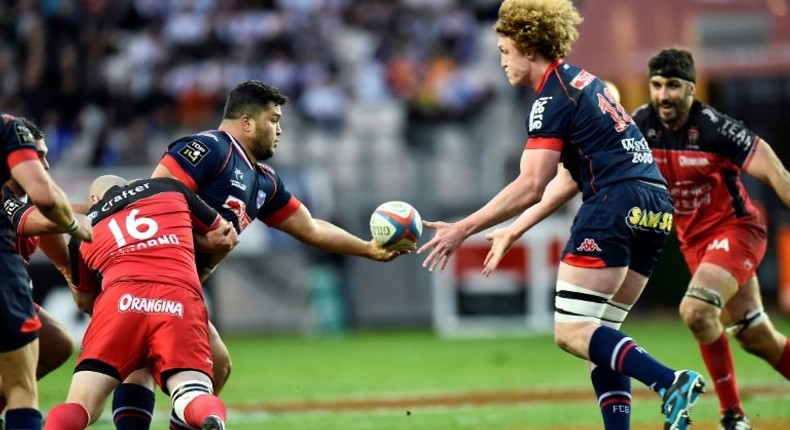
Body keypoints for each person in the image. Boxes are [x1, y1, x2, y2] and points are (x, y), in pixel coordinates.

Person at [418, 1, 705, 429]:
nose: (501, 60)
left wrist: (465, 227)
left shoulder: (552, 97)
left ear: (529, 48)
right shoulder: (586, 84)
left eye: (504, 50)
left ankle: (670, 382)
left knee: (570, 332)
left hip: (615, 205)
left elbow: (532, 183)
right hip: (654, 207)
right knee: (597, 338)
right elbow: (568, 179)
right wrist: (513, 230)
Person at [105, 79, 411, 430]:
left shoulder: (263, 180)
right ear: (247, 122)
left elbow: (310, 227)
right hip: (147, 273)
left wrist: (368, 249)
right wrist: (206, 244)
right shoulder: (209, 149)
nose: (279, 130)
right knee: (140, 368)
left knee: (215, 366)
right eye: (274, 120)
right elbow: (153, 201)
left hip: (181, 285)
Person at [631, 47, 790, 430]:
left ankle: (732, 415)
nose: (663, 95)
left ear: (691, 88)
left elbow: (774, 171)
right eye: (656, 85)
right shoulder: (640, 124)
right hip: (694, 245)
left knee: (696, 310)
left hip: (736, 231)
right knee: (756, 337)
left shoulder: (715, 127)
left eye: (673, 86)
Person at [44, 175, 238, 430]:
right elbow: (223, 235)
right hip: (176, 296)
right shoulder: (170, 188)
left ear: (94, 199)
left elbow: (84, 302)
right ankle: (209, 417)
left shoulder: (83, 229)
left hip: (119, 299)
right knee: (191, 392)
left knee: (81, 404)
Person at [0, 113, 93, 430]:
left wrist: (72, 277)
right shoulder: (8, 197)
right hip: (4, 286)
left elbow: (52, 224)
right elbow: (36, 217)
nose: (45, 165)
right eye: (37, 156)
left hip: (12, 290)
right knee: (22, 390)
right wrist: (82, 218)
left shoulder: (26, 198)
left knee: (57, 343)